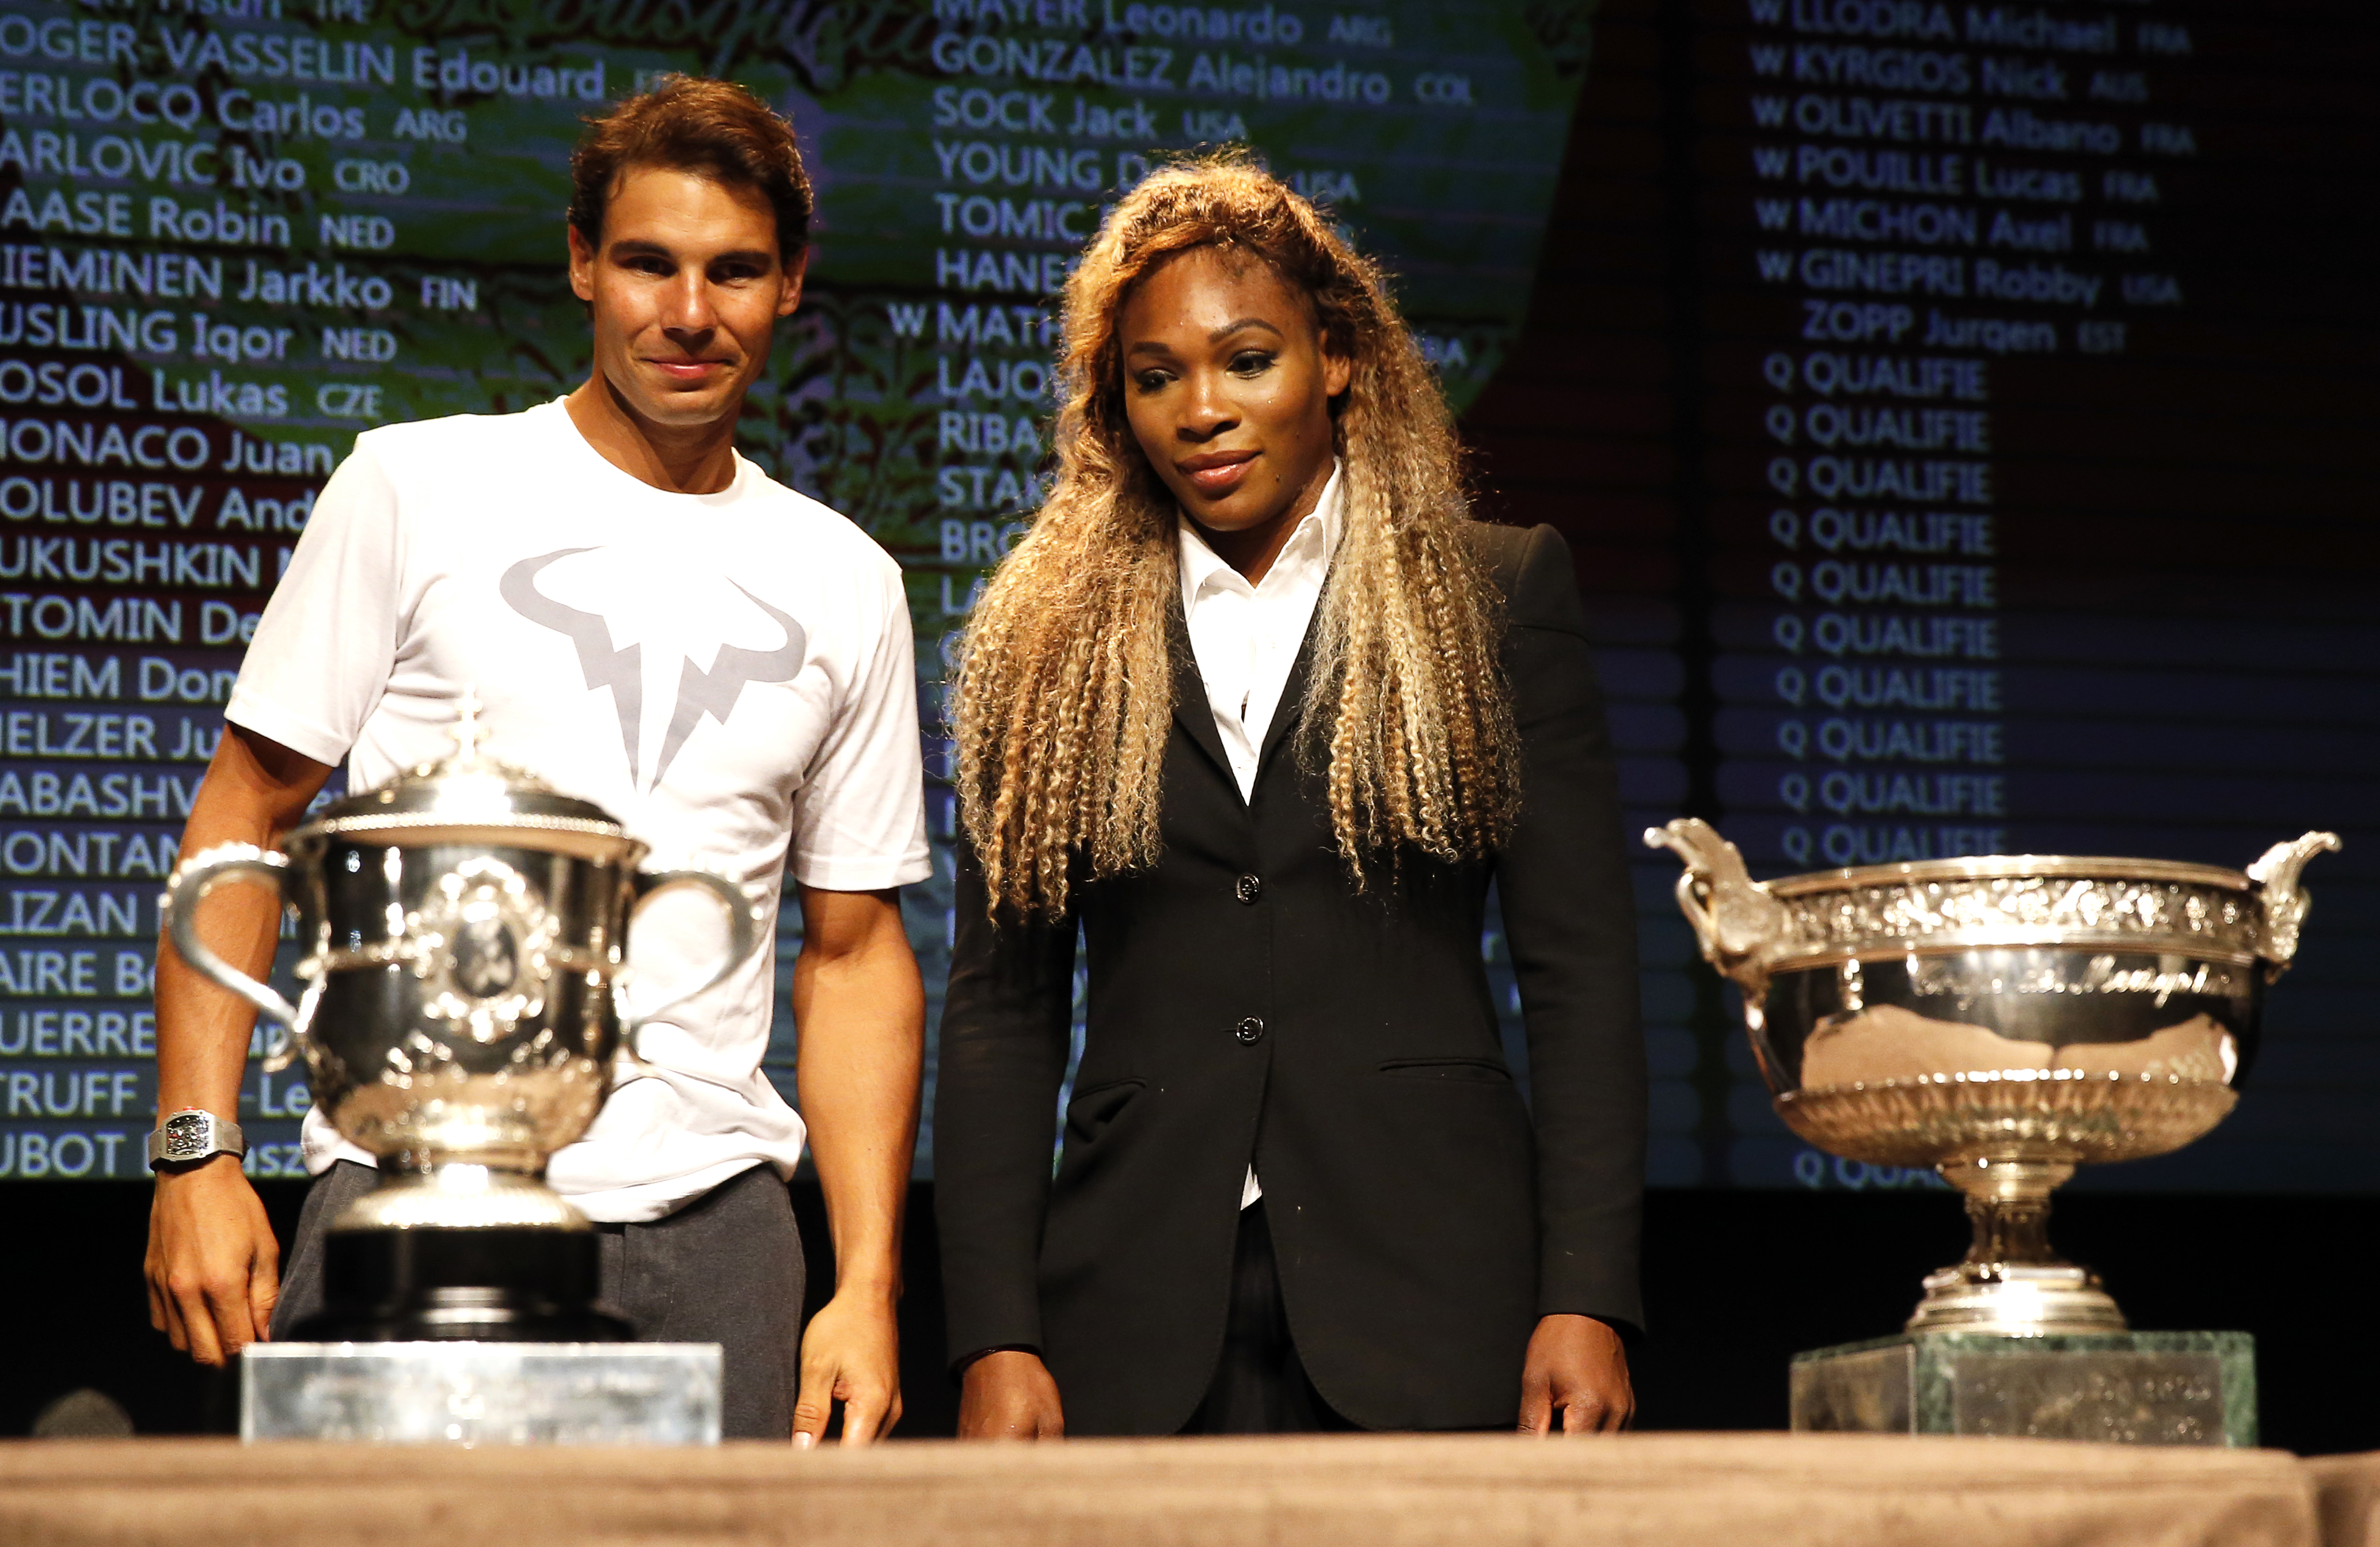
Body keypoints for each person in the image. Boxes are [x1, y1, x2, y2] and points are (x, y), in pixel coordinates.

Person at [144, 77, 928, 1445]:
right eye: (649, 264)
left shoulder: (847, 579)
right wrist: (197, 1152)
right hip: (407, 1192)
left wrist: (866, 1284)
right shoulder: (411, 487)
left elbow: (856, 951)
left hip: (721, 1233)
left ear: (792, 284)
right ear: (581, 263)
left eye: (735, 271)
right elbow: (244, 816)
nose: (690, 314)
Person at [936, 156, 1647, 1438]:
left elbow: (1583, 974)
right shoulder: (1041, 643)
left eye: (1246, 360)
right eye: (1155, 380)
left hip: (1439, 1297)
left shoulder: (1491, 596)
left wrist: (1587, 1295)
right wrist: (994, 1332)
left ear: (1336, 358)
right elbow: (1000, 1014)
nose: (1200, 410)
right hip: (1127, 1314)